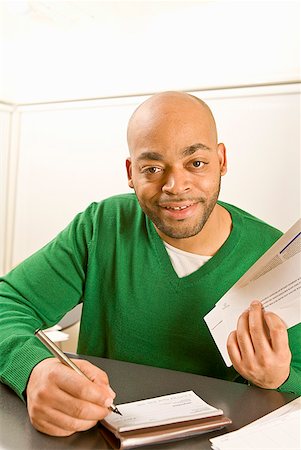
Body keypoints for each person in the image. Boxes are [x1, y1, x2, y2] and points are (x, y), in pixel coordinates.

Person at [0, 91, 300, 437]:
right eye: (153, 168)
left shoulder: (278, 256)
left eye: (196, 163)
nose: (175, 185)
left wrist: (280, 378)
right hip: (98, 439)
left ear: (221, 160)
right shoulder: (102, 225)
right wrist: (33, 369)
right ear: (131, 172)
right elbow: (9, 302)